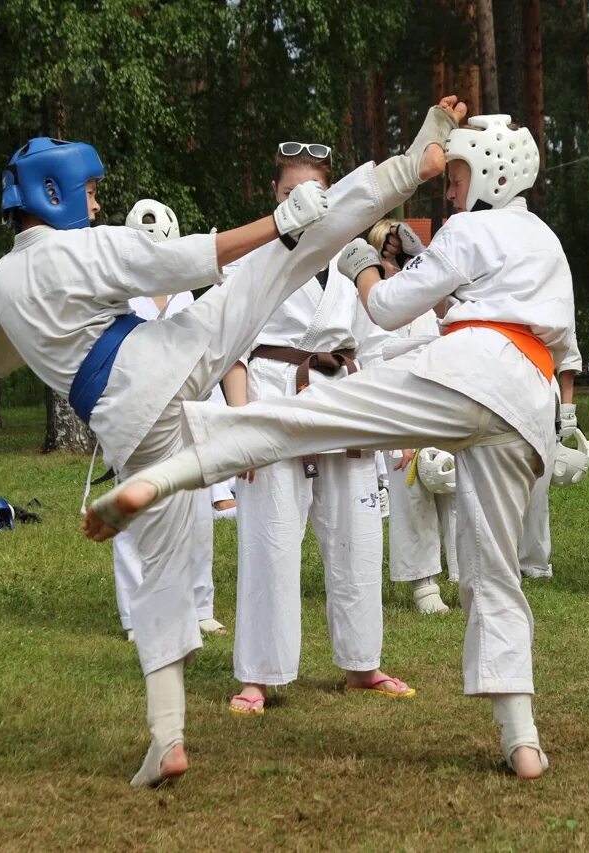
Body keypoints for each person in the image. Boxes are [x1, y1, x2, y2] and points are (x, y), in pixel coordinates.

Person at [0, 97, 463, 787]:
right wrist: (278, 222)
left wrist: (39, 327)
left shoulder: (1, 282)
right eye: (88, 192)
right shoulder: (81, 247)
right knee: (283, 259)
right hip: (169, 363)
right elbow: (187, 260)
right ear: (51, 193)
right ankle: (411, 166)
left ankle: (167, 738)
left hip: (125, 425)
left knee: (162, 582)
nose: (98, 203)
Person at [87, 112, 577, 780]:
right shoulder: (546, 242)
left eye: (458, 175)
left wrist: (366, 266)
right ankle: (521, 739)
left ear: (490, 173)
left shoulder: (465, 229)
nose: (452, 192)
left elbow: (386, 313)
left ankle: (176, 461)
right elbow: (564, 347)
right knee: (494, 569)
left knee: (311, 419)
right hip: (527, 400)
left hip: (460, 370)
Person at [220, 145, 410, 717]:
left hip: (344, 396)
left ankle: (362, 663)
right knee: (271, 535)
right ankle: (258, 675)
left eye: (313, 195)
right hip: (276, 396)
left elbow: (377, 344)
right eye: (289, 194)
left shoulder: (354, 257)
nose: (301, 204)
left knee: (356, 535)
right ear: (275, 197)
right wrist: (239, 424)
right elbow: (229, 347)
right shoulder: (252, 257)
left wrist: (393, 428)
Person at [107, 198, 227, 641]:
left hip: (187, 411)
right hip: (135, 413)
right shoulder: (119, 297)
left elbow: (203, 351)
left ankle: (198, 605)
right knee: (134, 512)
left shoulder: (186, 294)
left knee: (195, 513)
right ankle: (139, 613)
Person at [367, 220, 458, 613]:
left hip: (440, 390)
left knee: (452, 483)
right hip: (395, 398)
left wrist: (420, 260)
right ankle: (424, 583)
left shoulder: (425, 294)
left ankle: (466, 574)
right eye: (385, 260)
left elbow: (452, 319)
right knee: (411, 485)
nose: (394, 268)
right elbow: (367, 356)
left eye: (400, 259)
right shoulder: (367, 301)